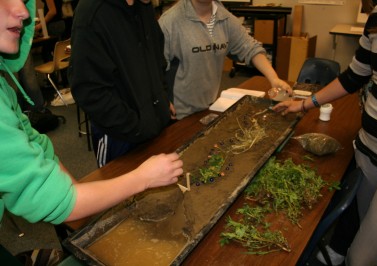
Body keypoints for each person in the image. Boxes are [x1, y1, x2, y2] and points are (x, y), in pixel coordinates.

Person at [0, 0, 183, 259]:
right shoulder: (93, 13)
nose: (23, 12)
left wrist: (160, 100)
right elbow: (60, 202)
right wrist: (143, 177)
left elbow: (35, 142)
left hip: (152, 127)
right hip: (122, 135)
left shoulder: (3, 87)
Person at [273, 1, 377, 265]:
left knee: (360, 258)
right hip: (369, 154)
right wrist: (305, 104)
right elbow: (354, 76)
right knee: (374, 240)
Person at [69, 0, 176, 167]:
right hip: (120, 138)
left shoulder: (144, 5)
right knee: (124, 193)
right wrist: (136, 126)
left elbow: (156, 59)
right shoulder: (92, 13)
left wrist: (162, 97)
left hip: (156, 126)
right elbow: (89, 91)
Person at [158, 0, 291, 120]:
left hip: (209, 107)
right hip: (179, 114)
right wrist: (162, 101)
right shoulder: (170, 22)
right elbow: (153, 69)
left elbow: (250, 47)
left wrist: (273, 78)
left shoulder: (225, 18)